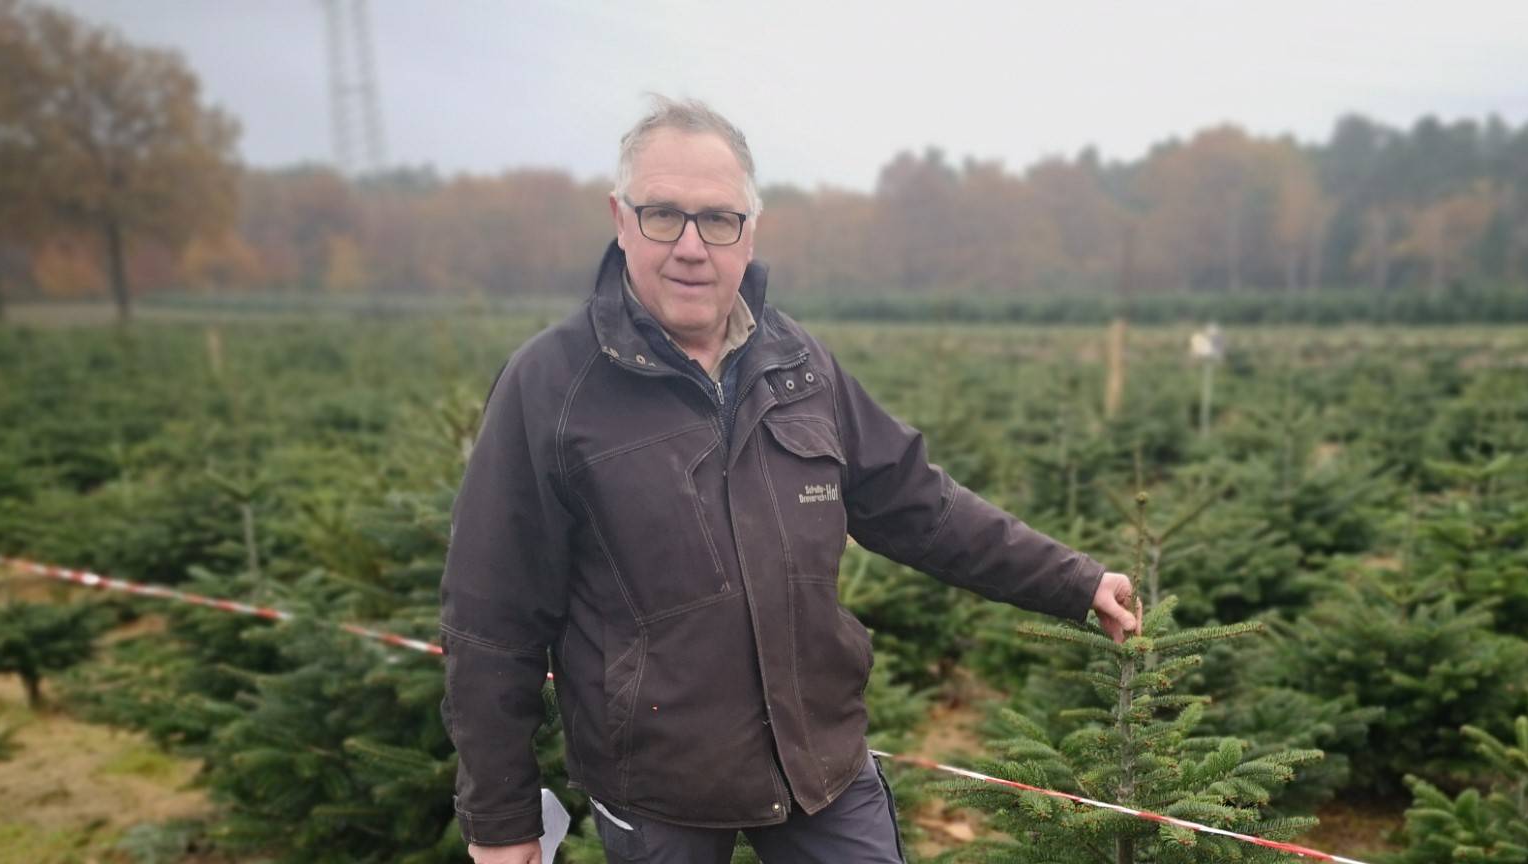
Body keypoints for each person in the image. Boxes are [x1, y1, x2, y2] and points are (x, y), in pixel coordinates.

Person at [439, 96, 1141, 864]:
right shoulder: (551, 386)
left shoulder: (796, 362)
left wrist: (1073, 581)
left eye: (718, 219)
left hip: (818, 760)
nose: (691, 247)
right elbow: (491, 617)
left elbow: (917, 503)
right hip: (657, 786)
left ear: (750, 228)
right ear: (619, 217)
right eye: (662, 215)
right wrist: (500, 824)